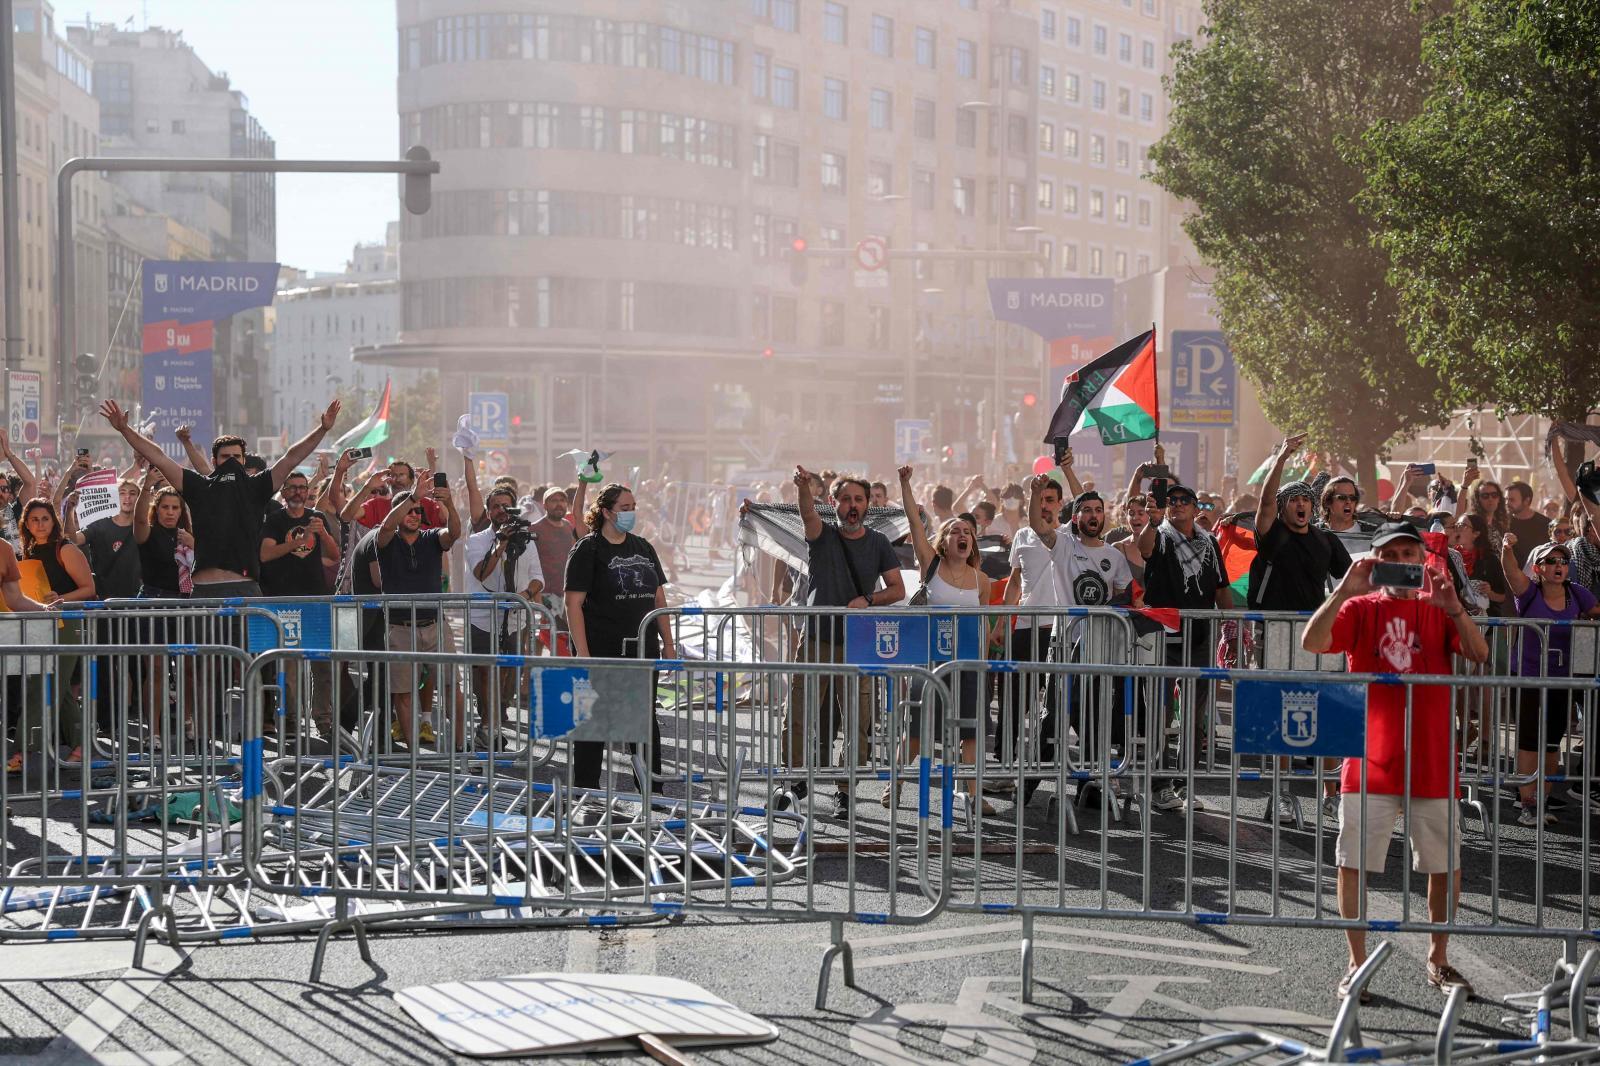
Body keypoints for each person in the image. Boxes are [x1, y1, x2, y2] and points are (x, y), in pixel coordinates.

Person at [1301, 521, 1487, 1001]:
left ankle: (1438, 959)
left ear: (1423, 559)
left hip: (1432, 757)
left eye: (1410, 553)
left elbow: (1479, 652)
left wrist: (1456, 609)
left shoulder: (1440, 607)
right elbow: (1313, 642)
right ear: (1376, 559)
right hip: (1369, 758)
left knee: (1443, 865)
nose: (1402, 562)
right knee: (1354, 864)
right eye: (1393, 554)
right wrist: (1344, 589)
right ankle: (1356, 964)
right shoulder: (1360, 605)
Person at [99, 399, 340, 598]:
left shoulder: (256, 487)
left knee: (244, 657)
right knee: (208, 656)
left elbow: (291, 458)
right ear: (214, 462)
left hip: (244, 588)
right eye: (226, 457)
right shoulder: (199, 485)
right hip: (205, 589)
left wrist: (323, 429)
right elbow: (160, 458)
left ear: (245, 461)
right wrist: (124, 430)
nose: (232, 462)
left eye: (237, 456)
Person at [775, 468, 904, 820]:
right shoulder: (822, 535)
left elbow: (897, 589)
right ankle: (793, 778)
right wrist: (802, 488)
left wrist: (868, 599)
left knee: (857, 721)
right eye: (845, 499)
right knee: (798, 713)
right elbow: (806, 513)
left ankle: (846, 790)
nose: (852, 505)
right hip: (816, 638)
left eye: (858, 500)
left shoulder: (878, 542)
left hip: (857, 645)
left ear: (867, 506)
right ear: (834, 503)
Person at [1251, 435, 1354, 824]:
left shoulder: (1325, 540)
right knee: (1283, 714)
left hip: (1316, 636)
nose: (1301, 505)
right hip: (1277, 633)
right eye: (1293, 500)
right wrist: (1281, 457)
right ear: (1283, 508)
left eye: (1306, 500)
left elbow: (1351, 579)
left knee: (1325, 713)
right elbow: (1263, 503)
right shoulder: (1272, 534)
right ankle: (1280, 794)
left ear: (1313, 506)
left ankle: (1331, 794)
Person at [564, 483, 676, 791]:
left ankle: (652, 790)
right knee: (594, 720)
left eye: (633, 507)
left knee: (641, 720)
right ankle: (586, 789)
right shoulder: (589, 548)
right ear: (606, 512)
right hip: (601, 649)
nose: (631, 513)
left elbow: (659, 598)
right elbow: (572, 603)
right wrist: (583, 653)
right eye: (625, 508)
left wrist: (668, 642)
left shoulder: (642, 546)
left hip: (641, 650)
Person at [1136, 467, 1234, 813]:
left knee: (1194, 716)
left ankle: (1185, 783)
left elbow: (1222, 589)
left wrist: (1233, 630)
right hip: (1163, 637)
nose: (1176, 505)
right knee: (1160, 714)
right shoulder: (1160, 534)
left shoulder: (1209, 542)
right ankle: (1159, 785)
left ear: (1196, 508)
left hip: (1200, 637)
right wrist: (1153, 517)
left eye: (1184, 501)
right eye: (1171, 500)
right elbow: (1144, 548)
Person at [897, 465, 992, 816]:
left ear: (973, 541)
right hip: (931, 663)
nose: (962, 535)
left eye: (967, 531)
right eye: (955, 532)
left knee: (970, 735)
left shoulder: (982, 580)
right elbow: (913, 522)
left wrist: (983, 664)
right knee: (918, 734)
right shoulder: (931, 565)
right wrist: (905, 484)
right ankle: (897, 783)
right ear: (945, 540)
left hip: (968, 665)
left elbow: (982, 627)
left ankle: (973, 795)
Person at [1499, 536, 1599, 826]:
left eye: (1563, 561)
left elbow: (1595, 611)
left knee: (1553, 742)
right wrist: (1507, 550)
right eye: (1551, 561)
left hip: (1561, 679)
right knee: (1530, 741)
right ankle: (1527, 804)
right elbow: (1511, 573)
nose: (1559, 566)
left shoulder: (1577, 593)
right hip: (1530, 678)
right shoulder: (1529, 592)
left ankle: (1542, 802)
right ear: (1539, 568)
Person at [374, 480, 463, 747]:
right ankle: (413, 754)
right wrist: (413, 496)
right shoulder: (386, 539)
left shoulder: (432, 537)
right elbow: (387, 527)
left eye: (418, 510)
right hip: (399, 627)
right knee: (402, 692)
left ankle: (459, 748)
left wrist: (448, 503)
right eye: (408, 510)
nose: (414, 514)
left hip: (435, 625)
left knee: (451, 686)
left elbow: (455, 533)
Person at [259, 470, 341, 738]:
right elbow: (266, 553)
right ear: (283, 492)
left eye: (302, 488)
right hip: (283, 602)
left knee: (322, 665)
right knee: (290, 667)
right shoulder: (273, 520)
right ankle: (292, 719)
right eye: (292, 487)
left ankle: (324, 719)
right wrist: (298, 541)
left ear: (309, 492)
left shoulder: (317, 519)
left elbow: (333, 556)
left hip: (315, 601)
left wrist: (323, 536)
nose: (297, 492)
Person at [17, 499, 95, 764]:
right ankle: (80, 745)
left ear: (54, 521)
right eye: (34, 520)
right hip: (40, 622)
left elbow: (88, 589)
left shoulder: (66, 549)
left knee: (44, 685)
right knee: (57, 689)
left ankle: (22, 751)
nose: (40, 524)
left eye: (45, 519)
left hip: (67, 622)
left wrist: (60, 598)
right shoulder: (27, 552)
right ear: (26, 524)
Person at [465, 484, 543, 747]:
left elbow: (538, 578)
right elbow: (481, 573)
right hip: (482, 619)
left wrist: (526, 594)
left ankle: (494, 722)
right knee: (485, 675)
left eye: (506, 506)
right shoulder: (476, 540)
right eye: (495, 506)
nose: (501, 511)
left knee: (507, 675)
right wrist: (500, 544)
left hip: (513, 621)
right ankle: (487, 727)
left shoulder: (525, 539)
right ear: (487, 512)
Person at [1504, 482, 1549, 570]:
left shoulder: (1544, 524)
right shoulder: (1502, 523)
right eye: (1506, 499)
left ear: (1526, 501)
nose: (1507, 503)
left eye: (1512, 500)